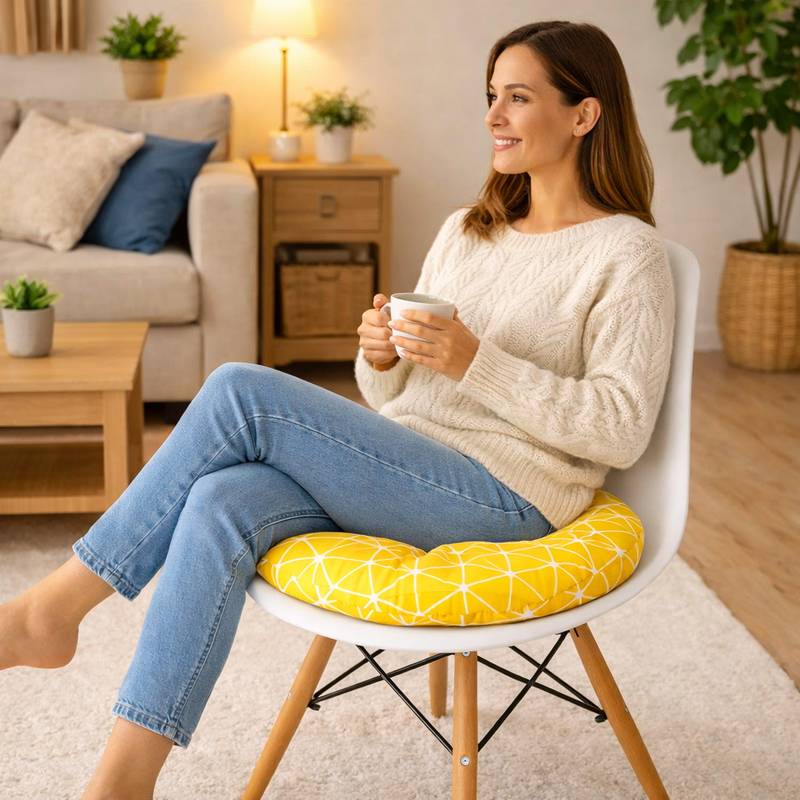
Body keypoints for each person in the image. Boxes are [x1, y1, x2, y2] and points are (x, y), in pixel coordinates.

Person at [0, 19, 675, 799]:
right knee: (222, 498)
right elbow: (399, 395)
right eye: (491, 96)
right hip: (417, 466)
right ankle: (123, 782)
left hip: (510, 499)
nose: (493, 115)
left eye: (517, 98)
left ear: (584, 114)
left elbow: (620, 427)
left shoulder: (627, 253)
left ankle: (51, 611)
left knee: (238, 392)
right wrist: (381, 356)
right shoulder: (470, 229)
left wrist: (476, 361)